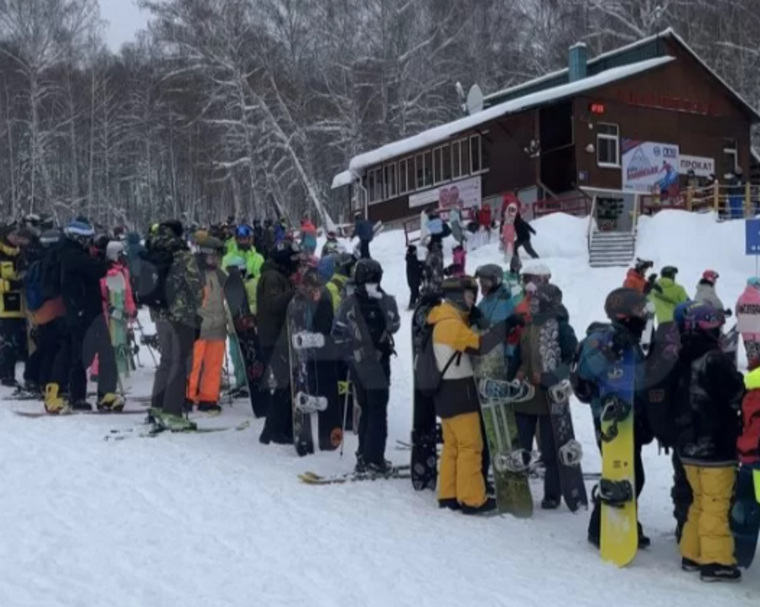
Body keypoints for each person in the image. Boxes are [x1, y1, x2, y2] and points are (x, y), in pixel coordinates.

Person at [429, 276, 517, 514]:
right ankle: (472, 499)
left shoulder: (444, 318)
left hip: (445, 393)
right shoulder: (450, 325)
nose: (472, 301)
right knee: (471, 446)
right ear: (458, 297)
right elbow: (480, 345)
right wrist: (505, 325)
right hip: (459, 392)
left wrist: (473, 316)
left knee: (453, 446)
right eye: (469, 296)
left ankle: (448, 494)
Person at [575, 287, 653, 548]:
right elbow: (586, 370)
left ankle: (623, 521)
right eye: (640, 314)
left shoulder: (632, 341)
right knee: (624, 473)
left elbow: (640, 377)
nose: (644, 321)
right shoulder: (601, 338)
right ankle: (600, 527)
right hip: (609, 418)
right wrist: (609, 352)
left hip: (632, 417)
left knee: (633, 474)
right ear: (626, 315)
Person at [672, 302, 743, 582]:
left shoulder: (680, 357)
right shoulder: (714, 360)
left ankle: (692, 552)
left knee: (699, 501)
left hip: (687, 446)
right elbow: (734, 393)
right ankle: (715, 561)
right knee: (716, 503)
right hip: (714, 446)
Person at [333, 258, 400, 473]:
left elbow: (337, 330)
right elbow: (395, 325)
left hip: (357, 363)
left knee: (365, 407)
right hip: (379, 363)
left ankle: (363, 453)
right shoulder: (387, 300)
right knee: (378, 410)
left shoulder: (349, 302)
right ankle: (374, 458)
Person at [514, 283, 577, 509]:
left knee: (551, 450)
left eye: (537, 300)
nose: (531, 303)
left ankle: (553, 493)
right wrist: (519, 370)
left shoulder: (562, 328)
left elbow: (573, 359)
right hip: (525, 397)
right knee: (520, 447)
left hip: (551, 398)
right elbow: (523, 356)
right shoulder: (529, 325)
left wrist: (554, 375)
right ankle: (518, 491)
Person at [51, 220, 121, 413]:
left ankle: (105, 394)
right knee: (78, 356)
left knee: (106, 351)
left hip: (92, 310)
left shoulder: (77, 252)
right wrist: (105, 262)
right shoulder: (69, 254)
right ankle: (76, 396)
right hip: (79, 311)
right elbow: (94, 268)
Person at [147, 220, 204, 430]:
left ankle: (157, 406)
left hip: (158, 314)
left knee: (166, 360)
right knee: (180, 363)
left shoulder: (153, 249)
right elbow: (196, 286)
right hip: (181, 315)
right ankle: (172, 412)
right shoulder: (182, 254)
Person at [257, 239, 300, 444]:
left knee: (287, 384)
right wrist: (295, 292)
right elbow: (273, 304)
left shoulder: (281, 276)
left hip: (281, 337)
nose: (296, 264)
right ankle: (273, 431)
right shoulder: (272, 277)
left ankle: (281, 428)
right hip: (273, 339)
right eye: (293, 259)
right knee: (281, 385)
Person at [187, 236, 230, 413]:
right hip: (199, 326)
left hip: (218, 326)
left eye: (217, 257)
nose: (215, 260)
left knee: (213, 365)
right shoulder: (193, 274)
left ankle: (208, 398)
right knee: (193, 365)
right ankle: (187, 396)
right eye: (213, 257)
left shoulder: (221, 275)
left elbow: (230, 300)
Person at [0, 223, 33, 388]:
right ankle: (6, 375)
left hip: (23, 306)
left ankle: (27, 376)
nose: (16, 238)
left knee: (23, 343)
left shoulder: (23, 254)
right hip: (4, 307)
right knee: (8, 343)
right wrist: (10, 285)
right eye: (13, 235)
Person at [736, 277, 760, 370]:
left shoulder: (741, 297)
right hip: (758, 329)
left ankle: (752, 366)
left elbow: (737, 311)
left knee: (750, 350)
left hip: (745, 329)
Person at [405, 245, 423, 310]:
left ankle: (420, 302)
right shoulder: (411, 259)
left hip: (414, 279)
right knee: (414, 292)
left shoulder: (412, 258)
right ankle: (411, 304)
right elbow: (416, 268)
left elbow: (417, 263)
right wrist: (421, 268)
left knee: (416, 291)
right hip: (413, 279)